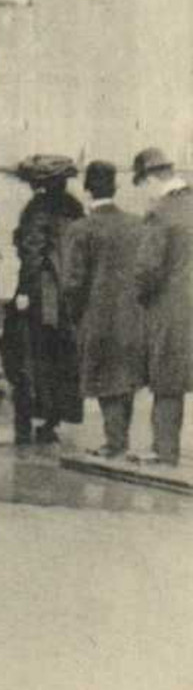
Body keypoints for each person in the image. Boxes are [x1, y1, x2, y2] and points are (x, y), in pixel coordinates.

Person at [60, 160, 147, 460]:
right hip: (133, 314)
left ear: (87, 190)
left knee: (106, 377)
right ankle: (119, 439)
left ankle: (114, 443)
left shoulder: (80, 229)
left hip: (96, 316)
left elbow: (73, 282)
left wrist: (74, 315)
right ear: (116, 187)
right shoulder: (137, 224)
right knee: (125, 376)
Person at [7, 153, 84, 444]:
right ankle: (51, 421)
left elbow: (33, 253)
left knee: (24, 355)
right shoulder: (74, 208)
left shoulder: (37, 209)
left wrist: (24, 291)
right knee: (62, 357)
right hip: (68, 296)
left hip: (41, 293)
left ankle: (24, 423)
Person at [131, 147, 191, 467]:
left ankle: (163, 450)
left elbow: (148, 268)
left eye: (142, 184)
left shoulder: (160, 212)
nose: (144, 193)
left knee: (167, 380)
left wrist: (140, 297)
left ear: (152, 178)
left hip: (171, 307)